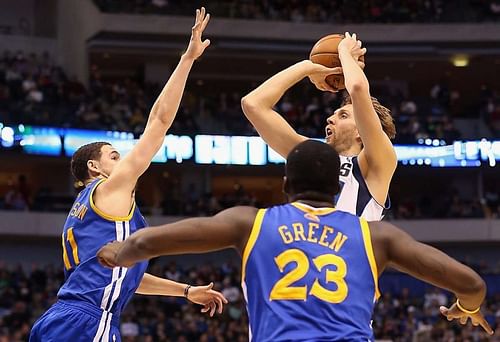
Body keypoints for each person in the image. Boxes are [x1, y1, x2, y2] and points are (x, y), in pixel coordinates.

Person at [97, 140, 493, 341]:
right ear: (333, 188)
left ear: (286, 185)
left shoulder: (249, 222)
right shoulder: (377, 237)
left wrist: (118, 252)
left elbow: (149, 243)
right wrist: (466, 307)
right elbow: (472, 284)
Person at [30, 8, 227, 342]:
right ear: (95, 167)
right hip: (88, 322)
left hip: (62, 319)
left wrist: (186, 290)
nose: (123, 163)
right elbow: (159, 123)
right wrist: (188, 59)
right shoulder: (109, 190)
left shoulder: (86, 211)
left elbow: (127, 275)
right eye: (114, 155)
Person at [241, 32, 396, 220]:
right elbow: (253, 104)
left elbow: (357, 88)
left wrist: (344, 51)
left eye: (343, 115)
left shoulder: (376, 165)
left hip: (348, 248)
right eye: (334, 114)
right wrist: (306, 68)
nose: (330, 119)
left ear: (360, 132)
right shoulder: (313, 157)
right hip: (301, 247)